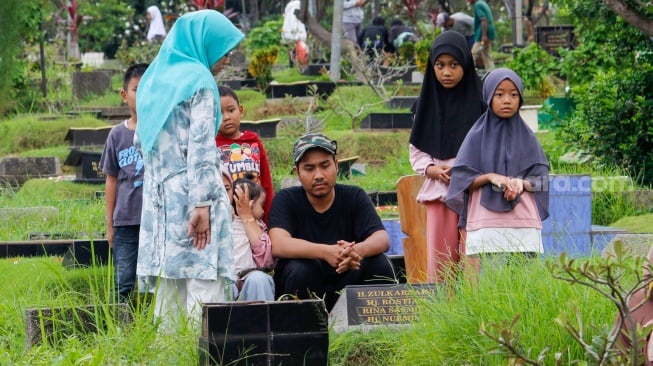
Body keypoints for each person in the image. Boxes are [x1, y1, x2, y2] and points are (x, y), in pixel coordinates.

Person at [134, 10, 245, 328]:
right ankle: (206, 354)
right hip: (196, 197)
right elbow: (199, 149)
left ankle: (166, 355)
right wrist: (201, 204)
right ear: (203, 43)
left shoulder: (153, 81)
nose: (226, 58)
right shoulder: (200, 81)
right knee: (204, 280)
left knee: (170, 285)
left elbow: (146, 146)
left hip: (160, 202)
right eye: (223, 48)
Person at [269, 133, 396, 312]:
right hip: (305, 283)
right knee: (301, 269)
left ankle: (378, 332)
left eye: (325, 165)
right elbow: (278, 243)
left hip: (347, 277)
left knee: (379, 264)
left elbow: (381, 238)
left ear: (336, 165)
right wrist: (325, 252)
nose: (318, 175)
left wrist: (355, 251)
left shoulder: (354, 196)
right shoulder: (286, 199)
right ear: (297, 173)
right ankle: (305, 333)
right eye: (309, 168)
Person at [445, 68, 550, 279]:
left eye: (513, 94)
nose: (507, 100)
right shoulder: (476, 136)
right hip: (487, 221)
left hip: (522, 220)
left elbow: (541, 179)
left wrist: (520, 184)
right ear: (488, 96)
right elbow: (461, 179)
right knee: (490, 283)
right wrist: (491, 177)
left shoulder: (528, 138)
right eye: (499, 94)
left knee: (524, 284)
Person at [409, 31, 485, 284]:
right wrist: (431, 169)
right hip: (439, 190)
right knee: (440, 256)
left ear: (465, 63)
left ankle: (475, 308)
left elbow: (490, 143)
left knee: (474, 256)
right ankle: (445, 311)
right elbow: (417, 147)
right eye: (440, 66)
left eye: (454, 65)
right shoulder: (425, 104)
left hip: (474, 191)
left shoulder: (482, 101)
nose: (446, 73)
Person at [99, 63, 149, 303]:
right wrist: (110, 225)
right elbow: (111, 179)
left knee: (159, 281)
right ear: (124, 95)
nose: (144, 95)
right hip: (127, 221)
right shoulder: (117, 135)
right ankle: (119, 329)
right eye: (137, 89)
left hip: (159, 220)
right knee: (123, 281)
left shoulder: (163, 130)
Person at [216, 85, 274, 224]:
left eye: (231, 110)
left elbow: (266, 182)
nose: (226, 117)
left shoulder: (254, 142)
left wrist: (270, 220)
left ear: (240, 110)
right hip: (229, 220)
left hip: (255, 217)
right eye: (219, 114)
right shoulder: (212, 146)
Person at [229, 175, 276, 301]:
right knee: (224, 286)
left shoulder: (259, 226)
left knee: (259, 280)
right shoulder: (225, 222)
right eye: (261, 205)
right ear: (249, 203)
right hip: (229, 279)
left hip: (250, 277)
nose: (263, 211)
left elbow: (266, 260)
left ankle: (262, 319)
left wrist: (248, 218)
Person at [469, 0, 496, 70]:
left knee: (473, 54)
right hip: (489, 33)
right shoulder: (482, 3)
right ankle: (491, 72)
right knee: (487, 56)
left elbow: (483, 19)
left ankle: (468, 73)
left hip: (482, 35)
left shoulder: (477, 5)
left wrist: (484, 36)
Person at [281, 0, 308, 68]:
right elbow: (294, 19)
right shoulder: (297, 5)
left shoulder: (289, 5)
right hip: (295, 32)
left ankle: (293, 67)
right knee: (298, 51)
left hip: (287, 32)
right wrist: (296, 32)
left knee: (292, 50)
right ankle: (298, 67)